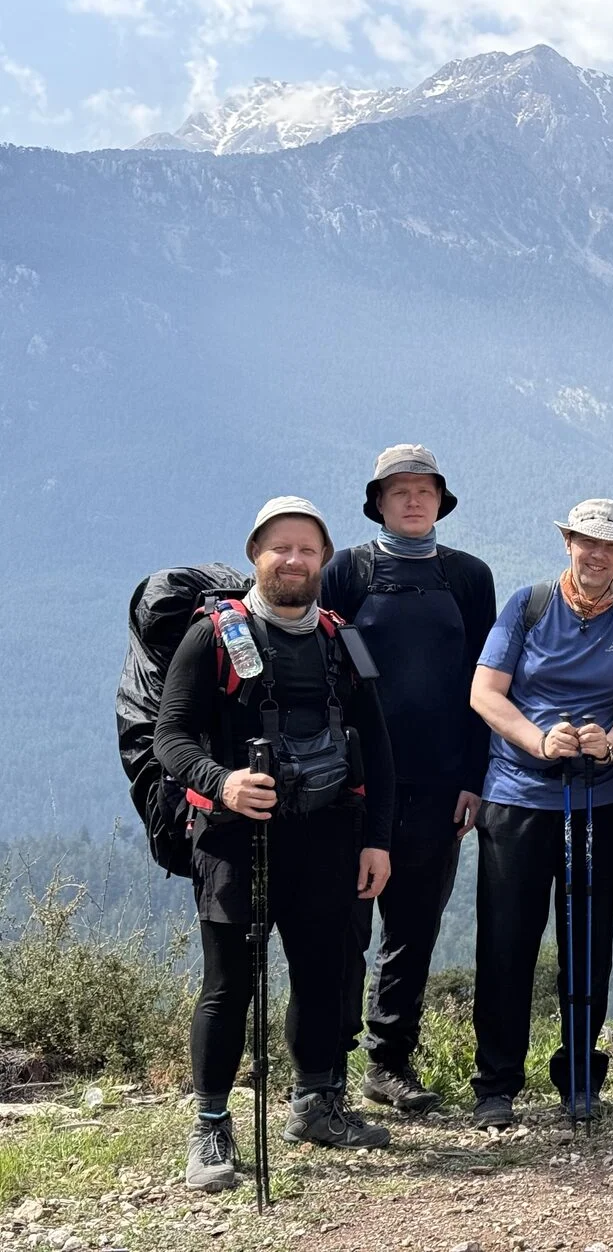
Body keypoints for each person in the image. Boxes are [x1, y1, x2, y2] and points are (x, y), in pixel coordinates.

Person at [155, 497, 396, 1193]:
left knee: (324, 975)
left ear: (324, 561)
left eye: (308, 550)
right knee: (229, 985)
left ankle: (316, 1105)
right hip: (235, 838)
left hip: (328, 834)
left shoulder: (339, 639)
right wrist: (221, 782)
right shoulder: (213, 635)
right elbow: (170, 736)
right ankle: (209, 1127)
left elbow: (377, 750)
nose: (294, 561)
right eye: (280, 548)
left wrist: (376, 841)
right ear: (255, 553)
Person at [468, 499, 613, 1129]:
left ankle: (580, 1074)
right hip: (519, 794)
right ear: (568, 544)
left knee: (588, 941)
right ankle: (497, 1081)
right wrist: (539, 741)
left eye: (610, 545)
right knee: (506, 940)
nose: (596, 554)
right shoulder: (529, 605)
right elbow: (485, 693)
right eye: (585, 541)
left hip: (598, 797)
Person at [321, 445, 496, 1114]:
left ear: (440, 500)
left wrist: (474, 778)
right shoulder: (346, 572)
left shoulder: (468, 577)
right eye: (400, 491)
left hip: (440, 782)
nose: (413, 500)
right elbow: (327, 672)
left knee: (413, 929)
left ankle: (389, 1063)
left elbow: (488, 683)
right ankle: (328, 1069)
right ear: (380, 502)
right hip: (357, 786)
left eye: (424, 490)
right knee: (343, 926)